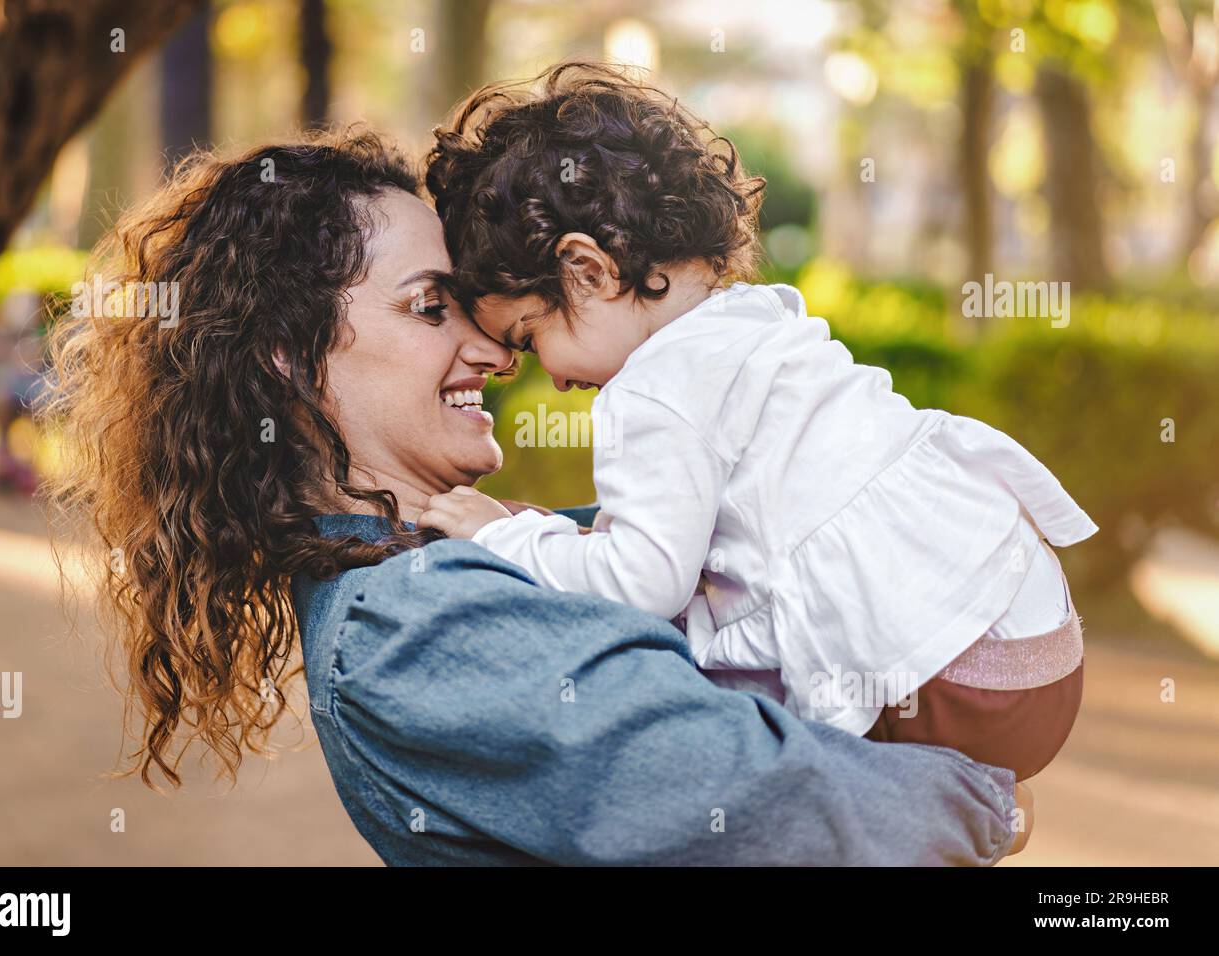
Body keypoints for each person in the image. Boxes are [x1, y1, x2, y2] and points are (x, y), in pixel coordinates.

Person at [41, 126, 1026, 866]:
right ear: (290, 357)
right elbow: (762, 795)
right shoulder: (407, 629)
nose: (493, 351)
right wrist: (980, 797)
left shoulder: (439, 565)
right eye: (432, 307)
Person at [420, 63, 1094, 782]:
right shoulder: (755, 317)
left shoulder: (651, 392)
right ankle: (969, 803)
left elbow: (641, 586)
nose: (551, 377)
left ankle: (940, 807)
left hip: (948, 682)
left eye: (528, 336)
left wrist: (503, 536)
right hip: (1030, 638)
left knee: (718, 764)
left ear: (587, 270)